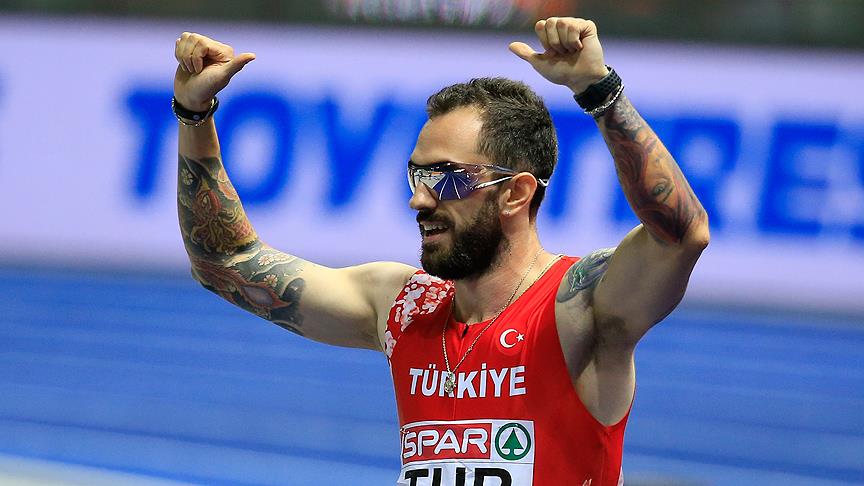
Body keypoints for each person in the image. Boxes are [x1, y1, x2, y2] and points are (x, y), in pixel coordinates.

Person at [173, 17, 708, 486]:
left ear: (516, 193)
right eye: (417, 175)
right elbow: (225, 262)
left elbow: (681, 234)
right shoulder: (402, 307)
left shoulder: (579, 306)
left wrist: (599, 90)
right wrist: (194, 113)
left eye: (445, 178)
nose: (419, 199)